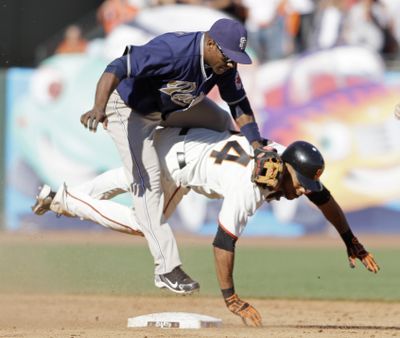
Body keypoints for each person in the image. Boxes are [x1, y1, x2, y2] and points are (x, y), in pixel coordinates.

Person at [32, 127, 380, 327]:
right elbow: (222, 242)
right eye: (300, 182)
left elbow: (324, 198)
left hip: (174, 142)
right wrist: (231, 298)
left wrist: (350, 239)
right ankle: (64, 200)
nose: (303, 188)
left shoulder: (282, 155)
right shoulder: (252, 186)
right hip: (173, 170)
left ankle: (59, 198)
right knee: (146, 224)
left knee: (122, 181)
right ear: (286, 167)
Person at [79, 18, 265, 295]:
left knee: (224, 123)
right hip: (128, 111)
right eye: (228, 55)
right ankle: (166, 268)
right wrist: (98, 106)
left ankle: (180, 169)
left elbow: (240, 104)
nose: (231, 64)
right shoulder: (174, 50)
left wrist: (257, 146)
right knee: (147, 186)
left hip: (171, 108)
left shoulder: (222, 62)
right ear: (211, 44)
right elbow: (117, 66)